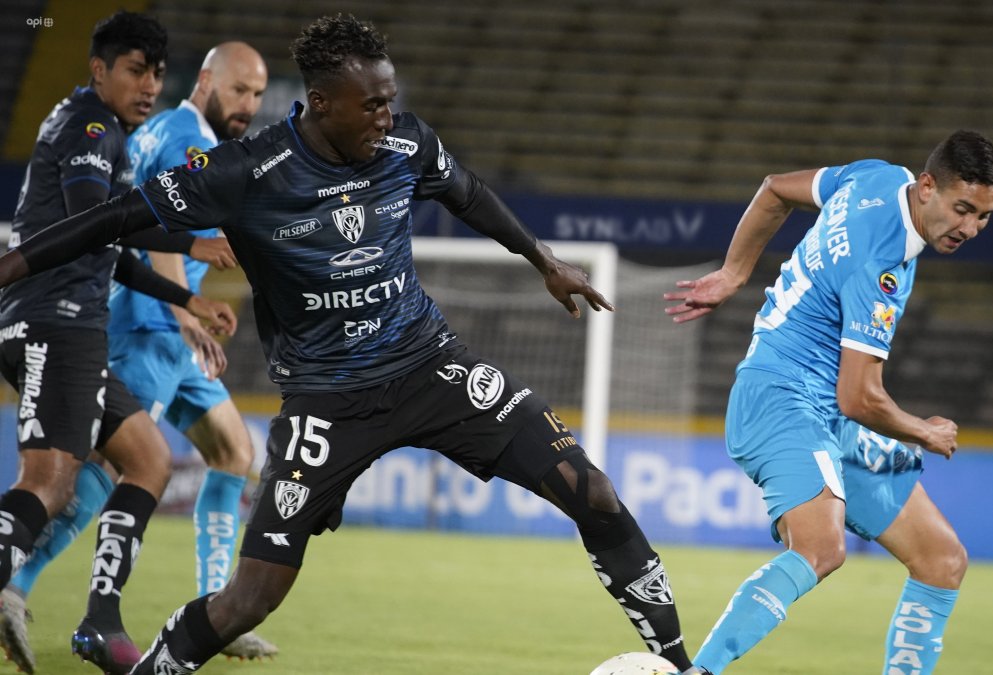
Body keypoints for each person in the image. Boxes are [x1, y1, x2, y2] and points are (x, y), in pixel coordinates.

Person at [0, 14, 694, 673]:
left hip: (430, 367)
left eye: (390, 101)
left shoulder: (403, 143)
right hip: (325, 403)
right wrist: (9, 265)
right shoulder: (244, 172)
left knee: (594, 491)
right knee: (250, 599)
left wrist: (542, 259)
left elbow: (468, 193)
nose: (387, 118)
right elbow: (110, 218)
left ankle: (684, 662)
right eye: (373, 105)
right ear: (322, 102)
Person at [663, 130, 993, 674]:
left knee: (941, 560)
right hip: (782, 398)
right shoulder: (883, 265)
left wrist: (734, 272)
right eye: (962, 209)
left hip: (822, 410)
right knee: (821, 549)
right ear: (927, 187)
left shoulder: (878, 176)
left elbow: (775, 190)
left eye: (984, 216)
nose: (970, 228)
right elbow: (860, 397)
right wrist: (925, 432)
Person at [0, 41, 279, 666]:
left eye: (258, 94)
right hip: (150, 330)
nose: (249, 105)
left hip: (171, 332)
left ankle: (216, 608)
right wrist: (184, 309)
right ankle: (19, 586)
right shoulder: (181, 138)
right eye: (239, 90)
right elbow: (139, 218)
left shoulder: (160, 129)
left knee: (233, 452)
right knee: (101, 471)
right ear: (207, 80)